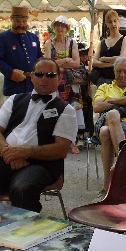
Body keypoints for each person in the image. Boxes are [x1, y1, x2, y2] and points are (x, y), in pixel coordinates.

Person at [0, 58, 77, 212]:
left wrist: (24, 152)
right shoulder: (14, 99)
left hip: (38, 164)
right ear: (32, 77)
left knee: (23, 188)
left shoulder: (66, 110)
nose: (44, 78)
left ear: (59, 78)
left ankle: (24, 232)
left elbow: (61, 149)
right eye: (39, 74)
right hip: (3, 157)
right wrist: (11, 154)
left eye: (50, 74)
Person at [93, 57, 126, 196]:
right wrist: (125, 101)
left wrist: (111, 100)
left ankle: (106, 188)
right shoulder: (104, 87)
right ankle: (123, 165)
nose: (122, 75)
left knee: (106, 132)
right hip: (106, 121)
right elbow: (97, 106)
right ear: (114, 72)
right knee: (113, 115)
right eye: (119, 71)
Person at [44, 15, 84, 154]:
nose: (60, 28)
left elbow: (77, 63)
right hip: (55, 82)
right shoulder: (49, 43)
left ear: (67, 28)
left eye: (63, 26)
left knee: (71, 111)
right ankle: (55, 142)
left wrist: (58, 62)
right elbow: (48, 63)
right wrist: (67, 59)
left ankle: (72, 141)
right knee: (54, 111)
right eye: (57, 25)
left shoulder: (72, 43)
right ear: (54, 27)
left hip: (70, 82)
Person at [0, 6, 44, 96]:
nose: (21, 25)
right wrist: (11, 73)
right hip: (13, 87)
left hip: (32, 86)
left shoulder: (33, 37)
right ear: (11, 19)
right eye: (18, 21)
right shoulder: (3, 37)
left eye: (24, 21)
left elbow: (39, 58)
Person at [92, 10, 126, 86]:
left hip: (118, 80)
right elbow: (94, 62)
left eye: (115, 21)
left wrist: (103, 59)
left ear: (118, 22)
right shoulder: (102, 42)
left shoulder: (125, 39)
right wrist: (110, 64)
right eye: (110, 22)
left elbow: (122, 58)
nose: (113, 24)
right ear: (107, 24)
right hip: (102, 80)